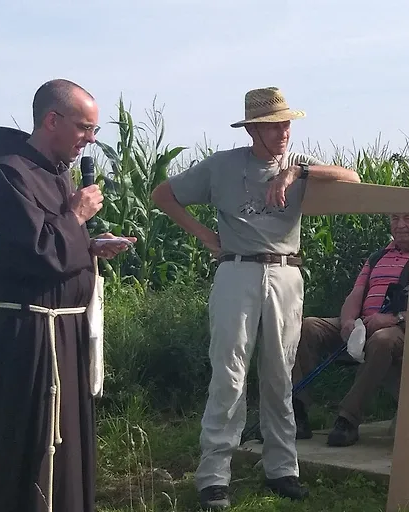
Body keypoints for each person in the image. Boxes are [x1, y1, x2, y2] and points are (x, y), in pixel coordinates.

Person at [151, 86, 360, 509]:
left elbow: (353, 178)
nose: (283, 131)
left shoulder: (301, 166)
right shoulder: (222, 166)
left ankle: (282, 469)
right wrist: (207, 237)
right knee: (228, 373)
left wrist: (295, 174)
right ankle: (214, 477)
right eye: (273, 125)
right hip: (237, 270)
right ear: (253, 129)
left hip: (285, 273)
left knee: (280, 373)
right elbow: (163, 195)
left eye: (286, 123)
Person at [0, 79, 135, 512]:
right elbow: (34, 253)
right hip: (32, 336)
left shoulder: (58, 175)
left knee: (68, 441)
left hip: (66, 329)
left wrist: (89, 245)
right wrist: (76, 215)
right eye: (84, 128)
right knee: (33, 442)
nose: (90, 141)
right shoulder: (8, 176)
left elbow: (56, 244)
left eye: (95, 131)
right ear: (52, 120)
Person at [290, 213, 409, 447]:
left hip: (404, 331)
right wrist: (348, 321)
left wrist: (393, 318)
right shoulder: (378, 257)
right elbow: (356, 294)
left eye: (408, 218)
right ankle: (297, 412)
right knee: (309, 326)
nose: (400, 225)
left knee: (381, 340)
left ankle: (347, 419)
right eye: (395, 219)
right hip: (361, 325)